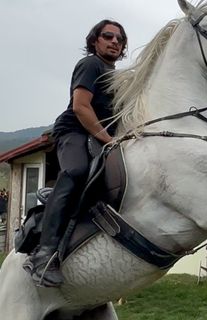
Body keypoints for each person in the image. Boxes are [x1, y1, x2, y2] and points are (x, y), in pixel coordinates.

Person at [23, 20, 128, 287]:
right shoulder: (91, 64)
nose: (115, 41)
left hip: (102, 137)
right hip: (75, 132)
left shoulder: (117, 76)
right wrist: (107, 138)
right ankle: (43, 255)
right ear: (95, 41)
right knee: (76, 171)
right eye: (108, 36)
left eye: (120, 39)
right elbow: (81, 107)